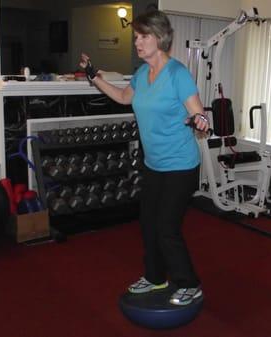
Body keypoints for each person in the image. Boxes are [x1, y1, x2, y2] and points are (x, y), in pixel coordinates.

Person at [79, 10, 209, 306]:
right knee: (148, 222)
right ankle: (155, 277)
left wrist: (201, 121)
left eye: (143, 36)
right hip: (154, 164)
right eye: (136, 37)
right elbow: (124, 98)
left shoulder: (177, 74)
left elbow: (197, 112)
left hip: (181, 165)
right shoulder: (141, 74)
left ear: (160, 38)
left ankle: (190, 283)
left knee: (166, 226)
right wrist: (94, 76)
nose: (137, 42)